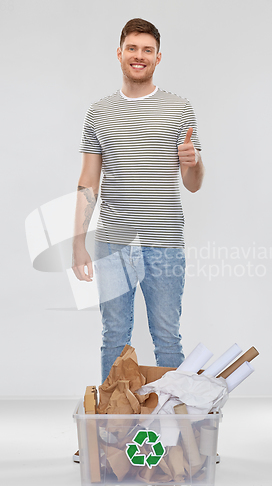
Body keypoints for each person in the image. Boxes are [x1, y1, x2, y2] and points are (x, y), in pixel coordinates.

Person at [72, 18, 205, 384]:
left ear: (158, 58)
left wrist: (193, 162)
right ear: (119, 53)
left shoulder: (179, 108)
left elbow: (192, 184)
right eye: (132, 48)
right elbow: (88, 180)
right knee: (114, 338)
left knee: (167, 338)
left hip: (164, 242)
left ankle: (173, 428)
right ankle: (113, 431)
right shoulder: (99, 112)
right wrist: (78, 242)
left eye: (147, 50)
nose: (139, 56)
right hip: (114, 242)